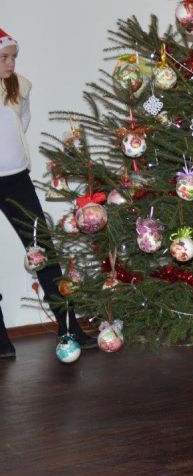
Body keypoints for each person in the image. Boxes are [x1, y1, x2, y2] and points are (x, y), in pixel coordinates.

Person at [0, 28, 96, 358]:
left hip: (16, 179)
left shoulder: (19, 87)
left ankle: (69, 327)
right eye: (4, 57)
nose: (11, 63)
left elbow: (21, 124)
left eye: (13, 57)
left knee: (43, 250)